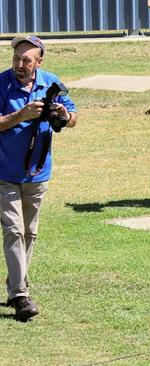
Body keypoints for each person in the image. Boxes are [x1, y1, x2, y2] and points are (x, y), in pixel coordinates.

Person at [0, 35, 77, 321]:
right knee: (14, 230)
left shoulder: (51, 83)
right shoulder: (1, 84)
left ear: (39, 62)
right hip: (4, 173)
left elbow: (73, 117)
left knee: (30, 233)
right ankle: (21, 295)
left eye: (26, 60)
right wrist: (20, 115)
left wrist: (63, 114)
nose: (19, 64)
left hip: (37, 172)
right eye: (16, 59)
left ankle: (13, 286)